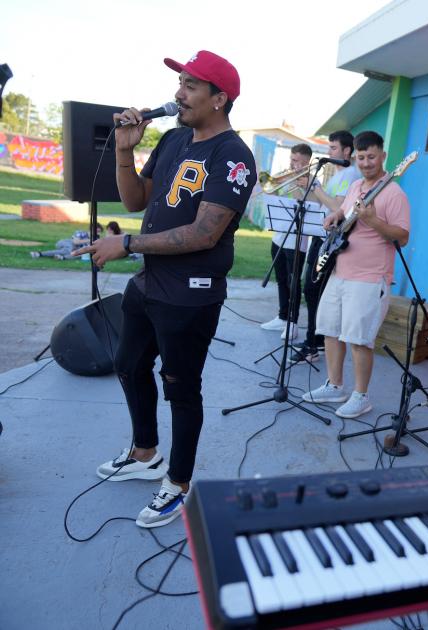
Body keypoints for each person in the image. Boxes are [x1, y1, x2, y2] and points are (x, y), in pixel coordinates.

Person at [74, 50, 256, 528]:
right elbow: (135, 199)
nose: (179, 93)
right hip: (149, 283)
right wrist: (123, 150)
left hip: (190, 295)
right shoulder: (175, 138)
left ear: (220, 99)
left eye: (191, 85)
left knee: (180, 387)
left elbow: (204, 234)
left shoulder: (234, 156)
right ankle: (145, 452)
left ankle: (177, 483)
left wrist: (127, 244)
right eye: (180, 83)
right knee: (129, 364)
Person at [302, 131, 410, 418]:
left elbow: (402, 237)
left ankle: (361, 396)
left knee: (359, 339)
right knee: (330, 330)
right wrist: (335, 217)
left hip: (369, 278)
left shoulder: (393, 193)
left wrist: (373, 221)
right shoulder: (357, 187)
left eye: (371, 157)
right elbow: (344, 212)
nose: (365, 162)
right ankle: (335, 385)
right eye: (361, 157)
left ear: (384, 157)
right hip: (340, 271)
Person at [292, 130, 359, 363]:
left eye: (333, 148)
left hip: (330, 241)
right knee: (310, 289)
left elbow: (337, 208)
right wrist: (303, 187)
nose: (329, 152)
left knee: (313, 289)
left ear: (346, 151)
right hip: (320, 237)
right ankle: (314, 340)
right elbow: (318, 203)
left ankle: (314, 343)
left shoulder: (350, 175)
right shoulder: (338, 175)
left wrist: (316, 186)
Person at [259, 143, 313, 342]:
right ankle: (282, 317)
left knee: (293, 282)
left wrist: (297, 180)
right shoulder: (288, 177)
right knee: (281, 279)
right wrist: (274, 183)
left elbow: (302, 202)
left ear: (307, 162)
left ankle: (293, 323)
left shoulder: (309, 180)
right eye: (292, 159)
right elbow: (272, 196)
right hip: (279, 237)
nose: (293, 164)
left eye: (298, 161)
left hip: (297, 242)